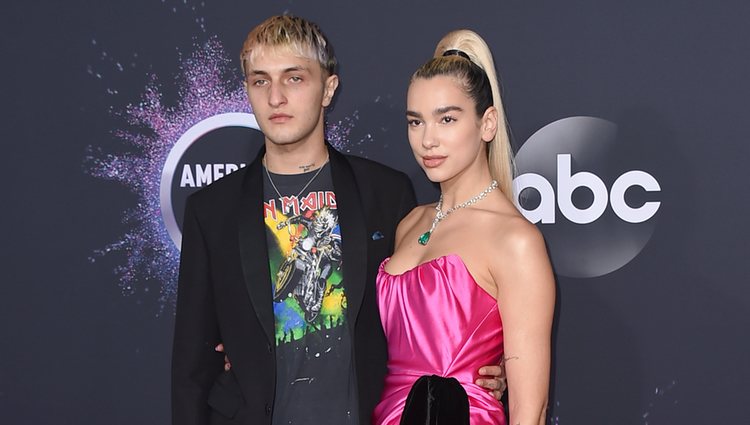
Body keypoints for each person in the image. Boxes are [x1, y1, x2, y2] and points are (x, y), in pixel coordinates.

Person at [171, 16, 504, 425]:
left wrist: (490, 366)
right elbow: (192, 367)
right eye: (260, 81)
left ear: (328, 88)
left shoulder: (386, 194)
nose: (276, 97)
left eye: (294, 78)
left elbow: (441, 307)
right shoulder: (212, 210)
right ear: (247, 91)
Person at [372, 30, 555, 425]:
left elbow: (531, 411)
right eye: (415, 122)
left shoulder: (515, 240)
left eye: (447, 119)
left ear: (487, 123)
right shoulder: (409, 224)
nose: (428, 139)